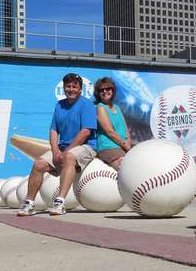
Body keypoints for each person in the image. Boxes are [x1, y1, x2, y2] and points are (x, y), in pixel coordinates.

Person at [18, 73, 97, 216]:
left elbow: (85, 132)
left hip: (86, 146)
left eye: (75, 86)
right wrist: (55, 151)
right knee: (38, 164)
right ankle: (29, 204)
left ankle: (59, 203)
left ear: (80, 89)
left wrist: (65, 151)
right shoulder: (60, 105)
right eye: (68, 86)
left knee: (68, 156)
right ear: (64, 88)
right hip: (63, 148)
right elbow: (53, 130)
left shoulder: (87, 104)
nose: (71, 89)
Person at [93, 77, 131, 171]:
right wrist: (126, 146)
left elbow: (126, 129)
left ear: (112, 90)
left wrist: (128, 143)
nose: (105, 91)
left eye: (108, 88)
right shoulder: (100, 107)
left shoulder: (117, 107)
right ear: (98, 93)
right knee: (126, 170)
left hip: (122, 146)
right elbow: (110, 132)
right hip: (108, 147)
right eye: (101, 90)